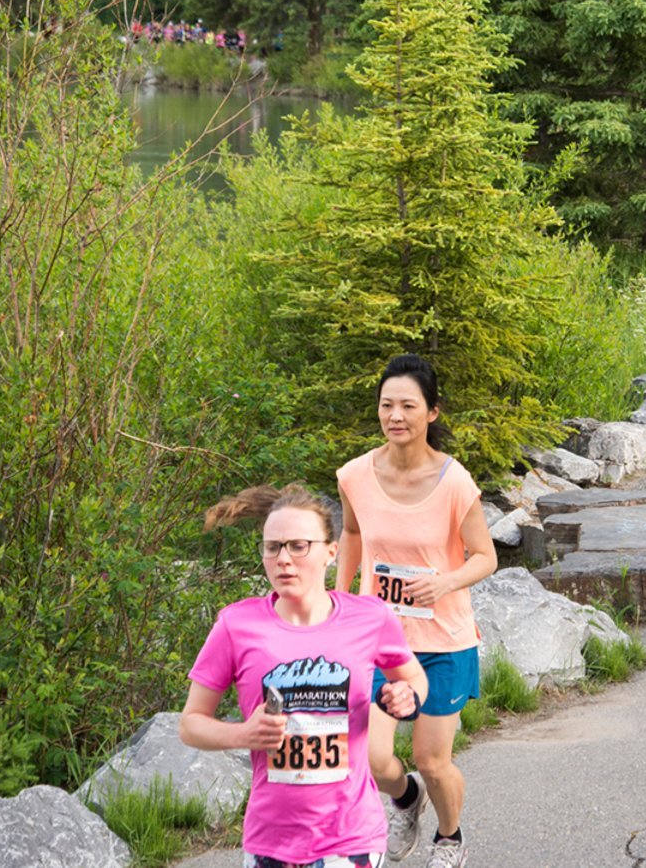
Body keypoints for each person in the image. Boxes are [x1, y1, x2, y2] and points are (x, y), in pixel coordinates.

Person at [184, 483, 428, 868]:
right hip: (270, 840)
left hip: (352, 836)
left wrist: (407, 696)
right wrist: (243, 734)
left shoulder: (370, 618)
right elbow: (190, 724)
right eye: (273, 546)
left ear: (331, 552)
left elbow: (413, 678)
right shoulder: (236, 625)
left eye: (299, 546)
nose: (284, 559)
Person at [336, 356, 497, 867]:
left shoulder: (454, 482)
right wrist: (339, 603)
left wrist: (443, 582)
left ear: (431, 412)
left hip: (444, 641)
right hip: (381, 641)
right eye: (387, 405)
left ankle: (449, 837)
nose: (395, 416)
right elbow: (352, 534)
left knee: (431, 758)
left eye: (408, 405)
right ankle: (406, 801)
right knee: (373, 756)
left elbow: (486, 556)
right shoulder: (355, 475)